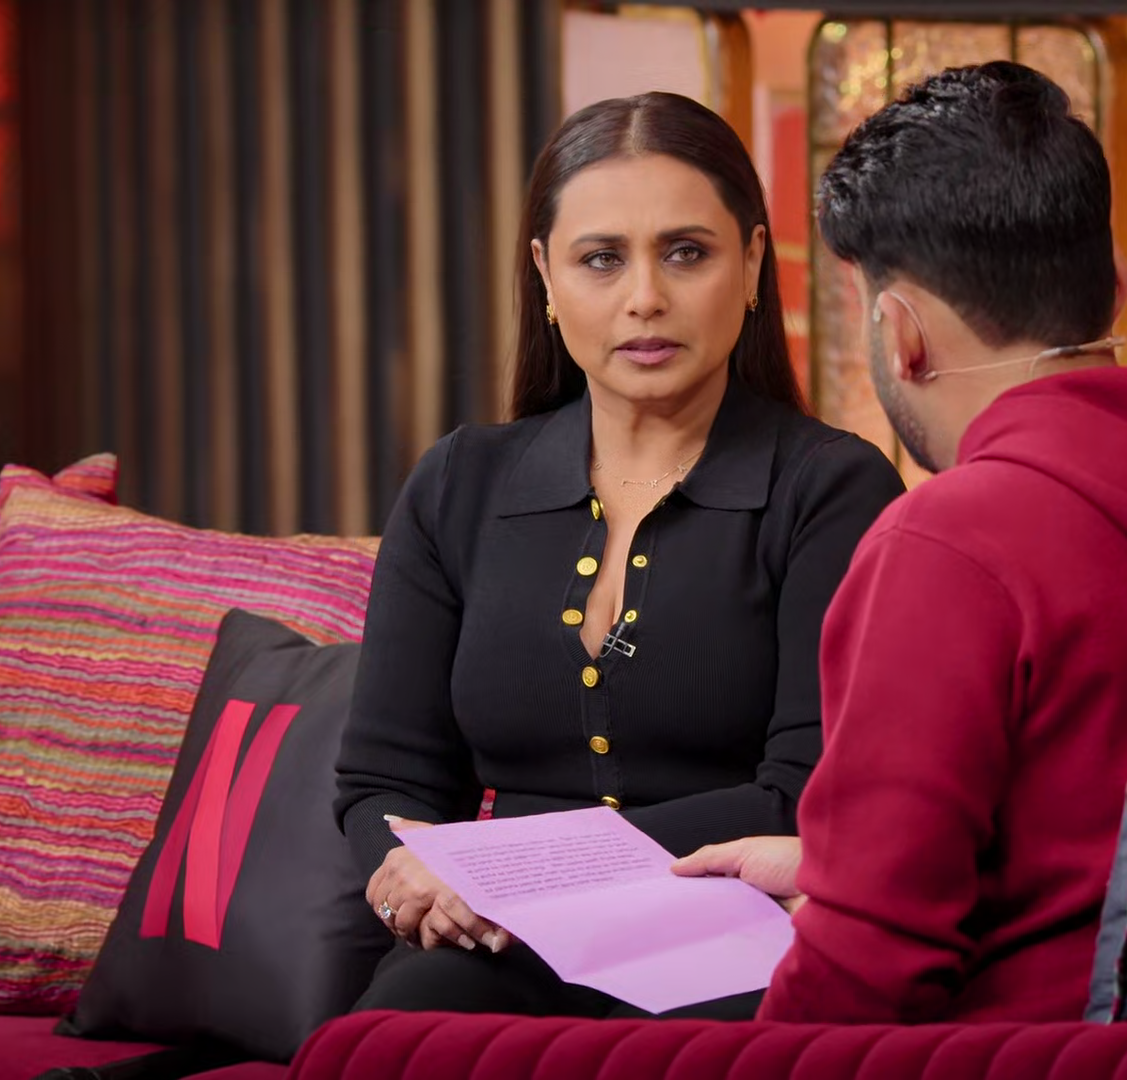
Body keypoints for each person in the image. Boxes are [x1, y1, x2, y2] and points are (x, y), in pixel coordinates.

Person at [674, 62, 1127, 1024]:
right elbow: (1111, 845)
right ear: (1114, 288)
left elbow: (866, 977)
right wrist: (834, 864)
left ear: (900, 333)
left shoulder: (950, 542)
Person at [333, 90, 906, 1018]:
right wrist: (412, 875)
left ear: (752, 263)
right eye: (601, 259)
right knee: (388, 1042)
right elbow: (384, 781)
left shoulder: (832, 489)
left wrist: (517, 869)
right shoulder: (459, 482)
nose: (645, 298)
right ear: (545, 277)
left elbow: (806, 793)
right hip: (498, 943)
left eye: (687, 252)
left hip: (729, 933)